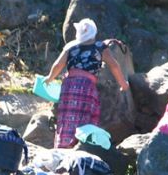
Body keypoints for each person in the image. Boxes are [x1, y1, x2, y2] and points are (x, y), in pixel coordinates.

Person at [44, 18, 131, 149]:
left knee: (66, 117)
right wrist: (123, 83)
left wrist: (50, 78)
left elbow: (58, 65)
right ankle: (81, 147)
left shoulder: (70, 47)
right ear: (94, 33)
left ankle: (62, 146)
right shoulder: (100, 47)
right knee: (85, 118)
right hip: (86, 87)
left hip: (68, 86)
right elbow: (114, 66)